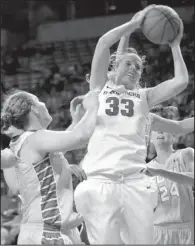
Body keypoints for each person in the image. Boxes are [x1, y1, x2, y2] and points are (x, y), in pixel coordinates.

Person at [73, 4, 189, 244]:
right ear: (113, 69)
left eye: (139, 67)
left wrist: (175, 45)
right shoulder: (99, 87)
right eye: (129, 64)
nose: (135, 69)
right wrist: (133, 26)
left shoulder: (144, 97)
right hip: (101, 180)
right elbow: (104, 43)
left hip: (135, 181)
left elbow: (180, 81)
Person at [1, 89, 99, 244]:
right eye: (39, 101)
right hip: (49, 233)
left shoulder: (20, 143)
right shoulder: (35, 138)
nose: (43, 104)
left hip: (35, 231)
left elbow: (54, 153)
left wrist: (76, 120)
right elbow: (80, 137)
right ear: (33, 108)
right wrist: (93, 106)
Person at [145, 106, 194, 245]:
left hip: (185, 228)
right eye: (156, 128)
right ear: (150, 138)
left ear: (174, 135)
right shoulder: (146, 168)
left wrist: (161, 172)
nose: (159, 130)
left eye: (164, 127)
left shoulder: (185, 154)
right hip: (157, 230)